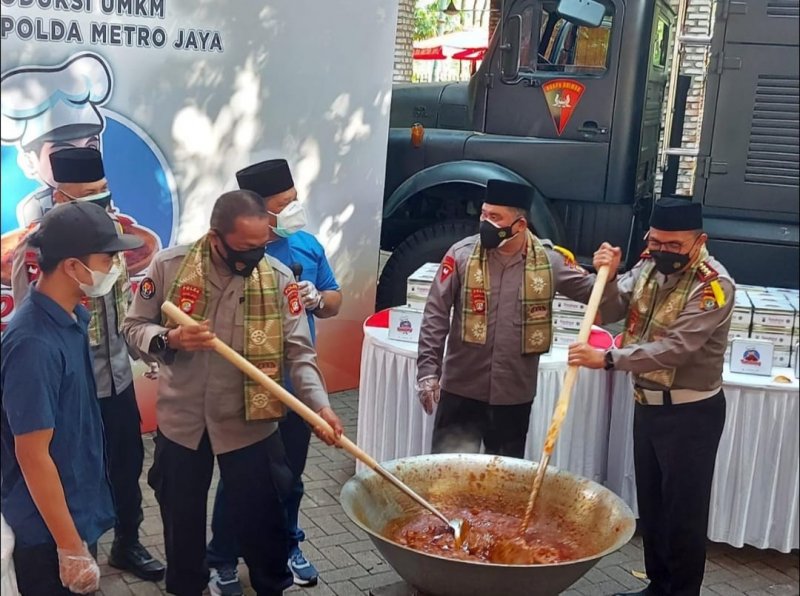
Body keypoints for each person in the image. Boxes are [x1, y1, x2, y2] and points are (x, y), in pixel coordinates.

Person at [122, 189, 345, 596]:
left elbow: (299, 355)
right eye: (244, 248)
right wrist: (168, 337)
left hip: (250, 425)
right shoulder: (170, 267)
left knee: (264, 523)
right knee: (181, 522)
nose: (254, 256)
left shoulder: (279, 279)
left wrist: (322, 408)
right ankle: (189, 587)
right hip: (182, 424)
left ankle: (271, 586)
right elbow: (134, 326)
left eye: (261, 246)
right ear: (214, 238)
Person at [10, 147, 166, 582]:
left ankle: (126, 541)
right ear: (59, 197)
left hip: (115, 376)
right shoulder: (42, 251)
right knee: (73, 469)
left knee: (123, 462)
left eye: (103, 191)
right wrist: (69, 549)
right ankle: (76, 543)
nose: (102, 200)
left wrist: (141, 354)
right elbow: (38, 321)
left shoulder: (110, 237)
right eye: (89, 195)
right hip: (70, 387)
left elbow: (121, 307)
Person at [568, 198, 734, 596]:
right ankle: (658, 586)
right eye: (656, 241)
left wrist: (607, 358)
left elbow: (676, 348)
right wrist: (604, 276)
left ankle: (682, 592)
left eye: (674, 245)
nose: (664, 251)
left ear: (699, 242)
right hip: (648, 407)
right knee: (655, 509)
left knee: (684, 514)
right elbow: (611, 310)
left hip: (691, 414)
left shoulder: (713, 286)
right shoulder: (647, 266)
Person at [205, 159, 343, 594]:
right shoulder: (234, 255)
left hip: (296, 390)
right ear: (258, 212)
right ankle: (223, 557)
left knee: (291, 477)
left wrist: (318, 298)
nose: (295, 209)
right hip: (246, 392)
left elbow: (335, 299)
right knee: (239, 481)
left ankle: (287, 545)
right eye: (285, 204)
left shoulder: (305, 245)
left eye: (295, 199)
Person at [416, 179, 618, 457]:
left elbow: (600, 298)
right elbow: (435, 314)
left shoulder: (549, 262)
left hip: (513, 395)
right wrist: (428, 371)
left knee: (503, 483)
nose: (485, 223)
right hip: (461, 389)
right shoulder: (461, 255)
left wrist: (610, 274)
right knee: (448, 476)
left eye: (495, 217)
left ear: (520, 225)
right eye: (483, 214)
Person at [1, 201, 143, 595]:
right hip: (46, 531)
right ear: (71, 266)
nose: (114, 267)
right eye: (106, 258)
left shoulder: (70, 319)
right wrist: (69, 546)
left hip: (72, 512)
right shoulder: (34, 343)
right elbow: (32, 453)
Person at [0, 53, 111, 226]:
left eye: (90, 147)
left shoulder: (99, 194)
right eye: (63, 153)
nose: (79, 161)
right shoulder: (35, 207)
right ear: (30, 161)